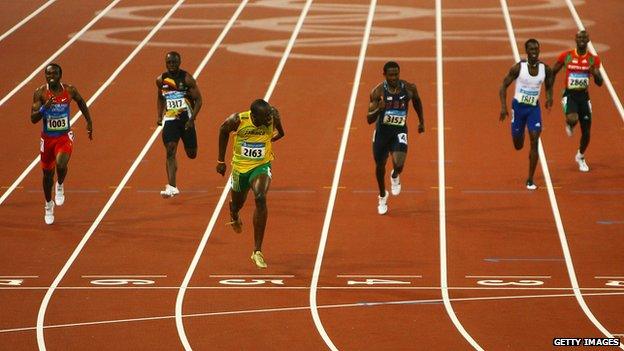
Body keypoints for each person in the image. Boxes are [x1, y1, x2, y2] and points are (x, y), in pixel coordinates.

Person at [216, 99, 284, 268]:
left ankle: (257, 251)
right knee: (238, 203)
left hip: (261, 165)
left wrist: (270, 140)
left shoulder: (273, 116)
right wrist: (220, 161)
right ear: (254, 116)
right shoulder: (238, 120)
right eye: (264, 117)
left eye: (269, 115)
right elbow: (223, 131)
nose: (268, 119)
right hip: (240, 168)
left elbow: (281, 133)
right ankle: (234, 212)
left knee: (260, 197)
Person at [31, 63, 93, 224]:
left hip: (64, 136)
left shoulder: (69, 90)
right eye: (48, 74)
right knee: (46, 176)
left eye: (54, 73)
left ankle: (60, 185)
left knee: (61, 165)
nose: (51, 76)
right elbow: (33, 119)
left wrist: (89, 121)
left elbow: (81, 102)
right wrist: (45, 108)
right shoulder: (40, 93)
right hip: (47, 139)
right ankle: (48, 205)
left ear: (60, 75)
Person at [366, 61, 424, 215]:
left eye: (396, 74)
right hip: (382, 134)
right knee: (380, 166)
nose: (394, 77)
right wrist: (379, 109)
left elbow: (417, 102)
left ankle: (395, 175)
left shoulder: (409, 88)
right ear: (384, 75)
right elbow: (369, 119)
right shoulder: (377, 92)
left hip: (399, 132)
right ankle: (382, 195)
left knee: (399, 164)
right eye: (390, 75)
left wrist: (421, 122)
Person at [499, 38, 554, 190]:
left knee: (535, 139)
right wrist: (503, 107)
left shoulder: (545, 69)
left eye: (536, 49)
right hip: (518, 108)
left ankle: (530, 179)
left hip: (533, 109)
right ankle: (519, 132)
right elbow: (503, 86)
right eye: (531, 50)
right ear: (527, 51)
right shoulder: (519, 68)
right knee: (518, 144)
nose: (534, 52)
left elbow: (549, 86)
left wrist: (549, 98)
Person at [552, 30, 603, 172]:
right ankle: (570, 123)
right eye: (579, 37)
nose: (582, 39)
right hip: (569, 95)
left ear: (588, 40)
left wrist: (595, 74)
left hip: (584, 97)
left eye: (584, 37)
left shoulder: (593, 60)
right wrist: (547, 90)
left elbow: (599, 83)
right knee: (573, 118)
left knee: (586, 132)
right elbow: (553, 72)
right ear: (575, 39)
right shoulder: (566, 56)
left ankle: (580, 156)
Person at [156, 51, 202, 197]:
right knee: (170, 150)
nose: (171, 65)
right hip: (170, 119)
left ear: (179, 62)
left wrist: (192, 119)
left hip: (186, 121)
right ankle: (172, 186)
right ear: (165, 63)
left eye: (174, 62)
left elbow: (199, 101)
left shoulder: (187, 79)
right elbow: (160, 98)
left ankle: (174, 172)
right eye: (169, 62)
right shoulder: (161, 79)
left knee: (192, 154)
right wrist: (159, 115)